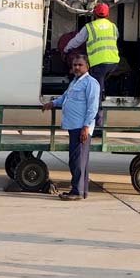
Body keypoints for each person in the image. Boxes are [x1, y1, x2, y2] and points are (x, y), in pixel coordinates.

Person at [42, 54, 100, 200]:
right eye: (74, 65)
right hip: (73, 126)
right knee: (79, 161)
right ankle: (82, 191)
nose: (76, 67)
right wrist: (52, 103)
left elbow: (93, 107)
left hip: (81, 127)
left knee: (77, 161)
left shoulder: (91, 83)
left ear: (87, 66)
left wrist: (86, 127)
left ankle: (77, 192)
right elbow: (65, 98)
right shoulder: (75, 82)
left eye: (80, 65)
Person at [63, 3, 119, 128]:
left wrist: (66, 49)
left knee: (95, 95)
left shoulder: (90, 27)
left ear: (94, 14)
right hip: (114, 63)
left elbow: (77, 40)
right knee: (101, 82)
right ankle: (103, 90)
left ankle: (98, 126)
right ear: (108, 14)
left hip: (99, 64)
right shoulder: (113, 26)